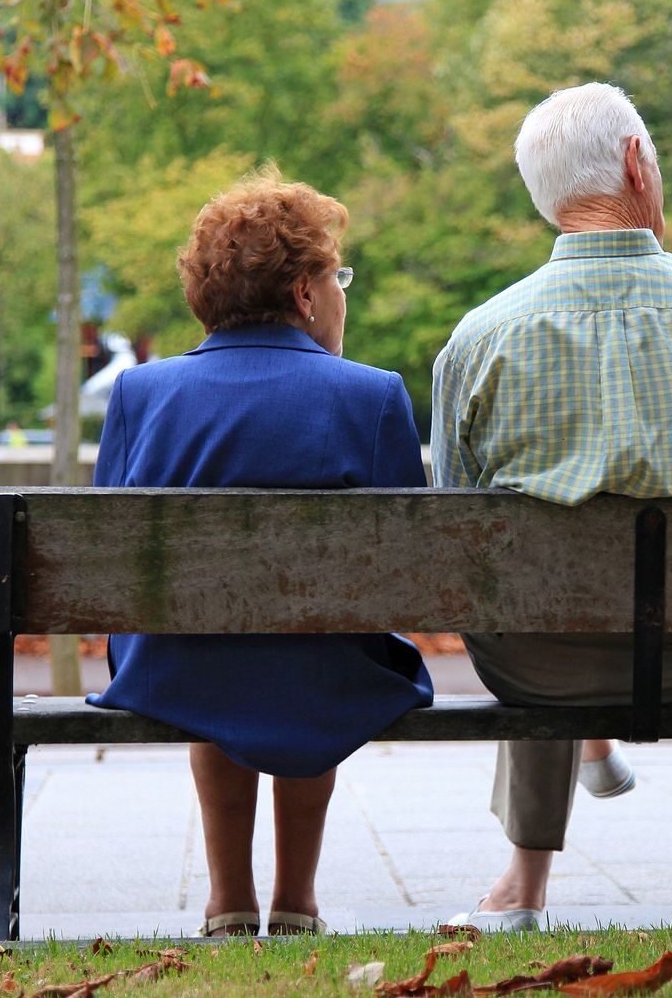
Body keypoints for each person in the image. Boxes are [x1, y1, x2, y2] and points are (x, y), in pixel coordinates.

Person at [432, 82, 672, 931]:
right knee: (561, 603)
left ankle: (525, 880)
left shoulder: (479, 338)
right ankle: (581, 773)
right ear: (637, 163)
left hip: (535, 665)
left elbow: (456, 540)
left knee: (536, 608)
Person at [86, 167, 433, 938]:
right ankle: (297, 901)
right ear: (306, 294)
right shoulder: (373, 395)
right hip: (330, 667)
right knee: (319, 644)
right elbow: (406, 572)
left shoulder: (140, 395)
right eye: (337, 278)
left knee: (214, 652)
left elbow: (112, 566)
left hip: (176, 667)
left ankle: (229, 901)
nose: (341, 294)